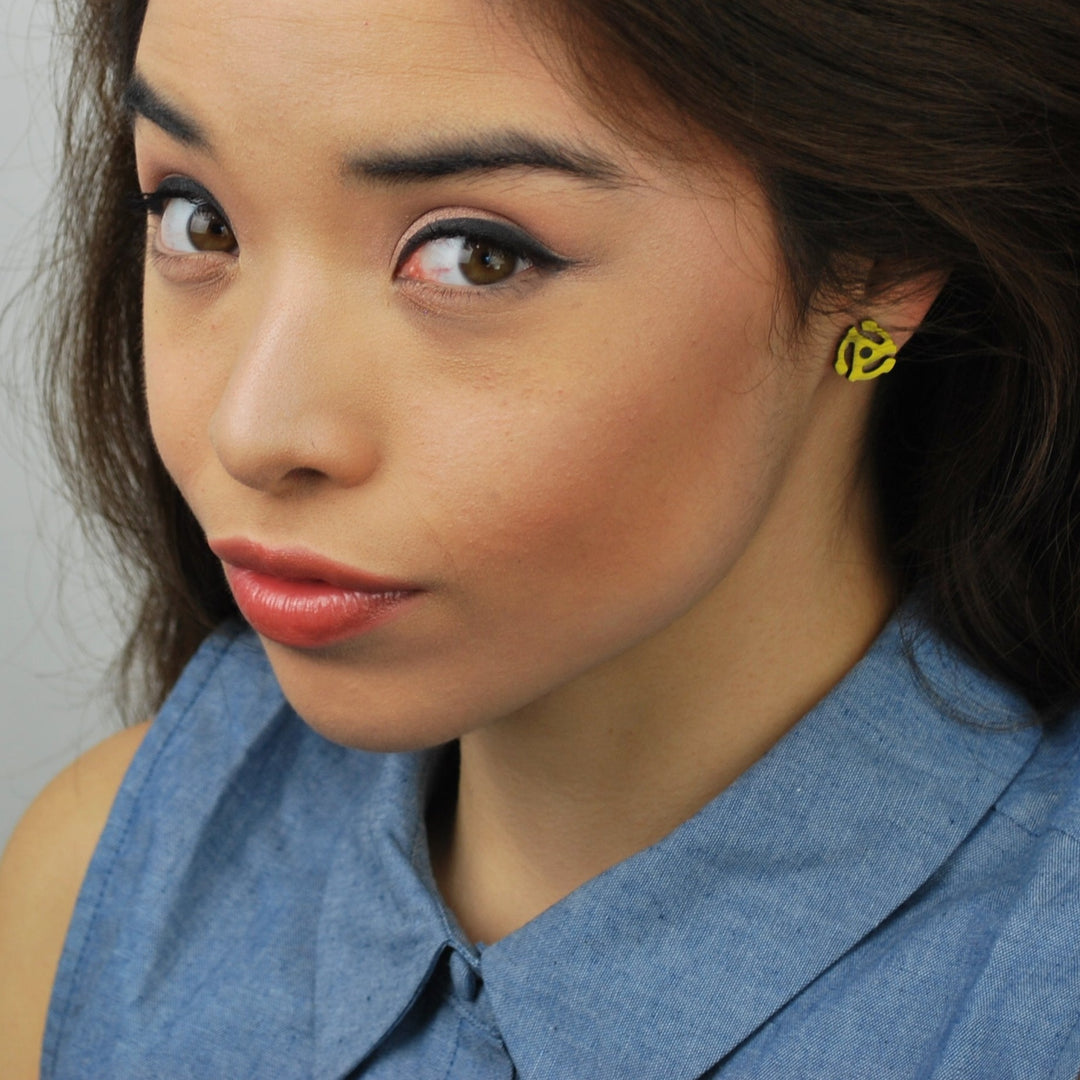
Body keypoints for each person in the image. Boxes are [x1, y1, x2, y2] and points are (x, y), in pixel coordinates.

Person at [1, 0, 1078, 1074]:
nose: (255, 431)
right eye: (199, 221)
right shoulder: (101, 881)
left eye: (474, 256)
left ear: (876, 271)